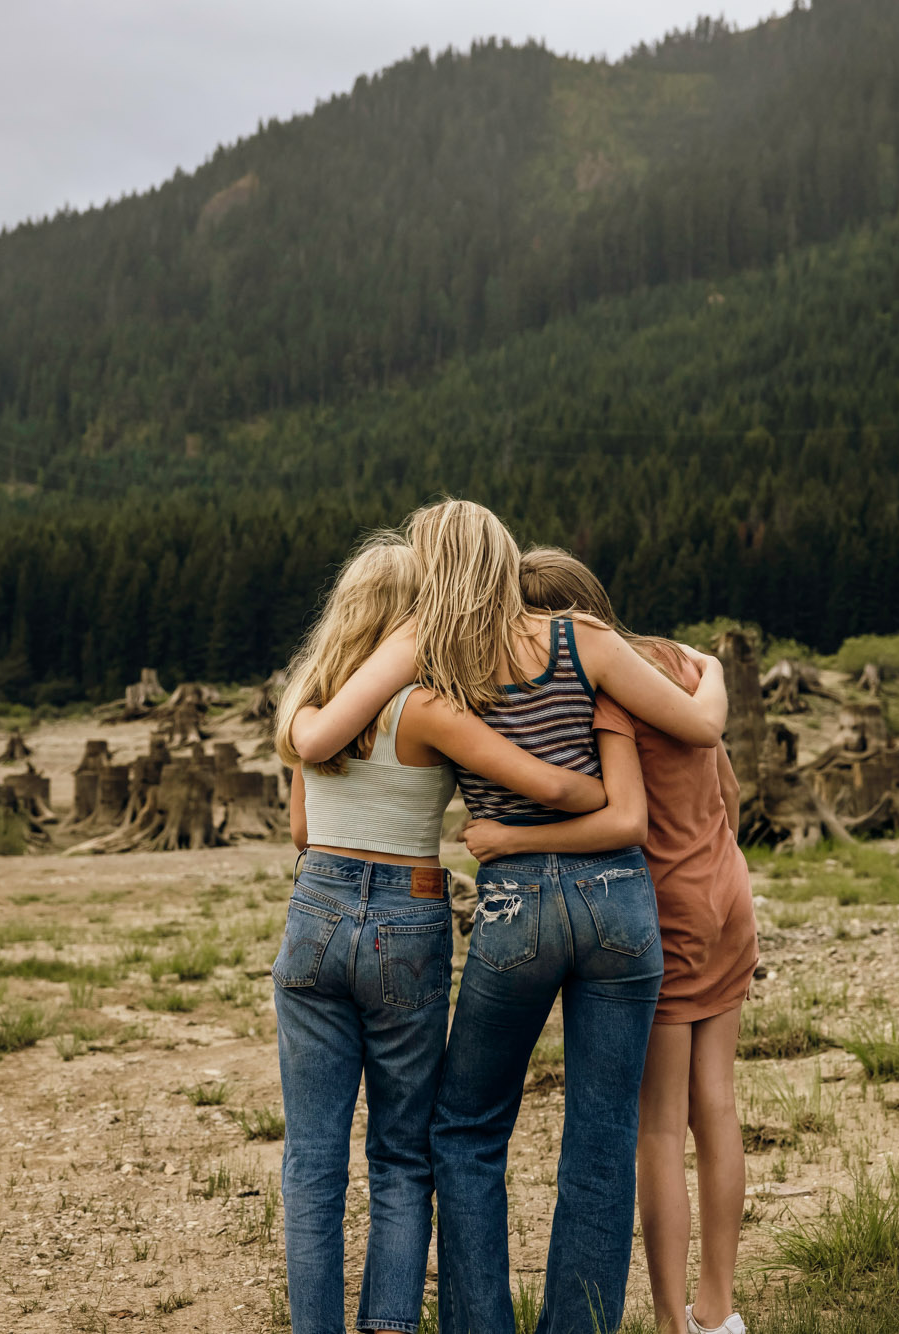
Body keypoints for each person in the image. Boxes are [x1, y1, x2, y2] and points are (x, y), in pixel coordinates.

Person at [313, 499, 727, 1334]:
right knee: (603, 1137)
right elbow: (700, 727)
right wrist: (710, 667)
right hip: (619, 900)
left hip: (517, 904)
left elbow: (323, 735)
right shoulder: (585, 641)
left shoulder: (427, 653)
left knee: (465, 1128)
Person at [271, 533, 611, 1334]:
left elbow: (299, 830)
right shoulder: (432, 707)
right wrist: (601, 789)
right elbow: (547, 784)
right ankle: (388, 1324)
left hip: (315, 907)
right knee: (400, 1154)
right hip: (407, 920)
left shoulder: (315, 705)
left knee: (312, 1161)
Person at [466, 548, 755, 1334]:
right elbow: (726, 788)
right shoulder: (668, 666)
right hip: (727, 892)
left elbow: (613, 810)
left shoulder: (600, 692)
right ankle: (719, 1311)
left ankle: (671, 1321)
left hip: (665, 907)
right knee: (718, 1105)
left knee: (659, 1122)